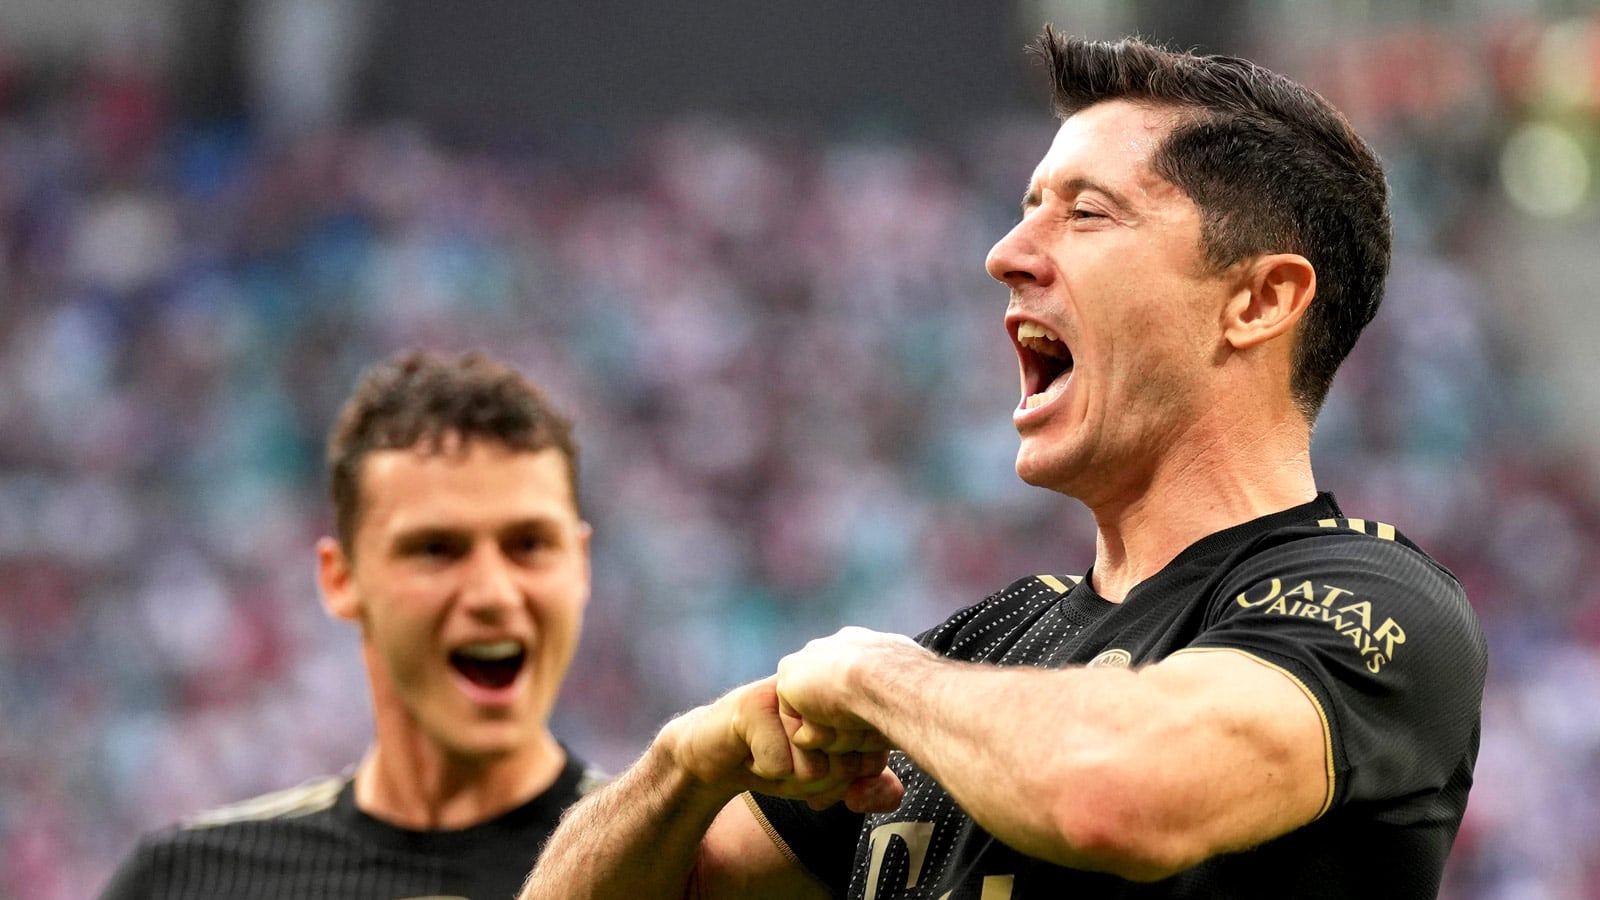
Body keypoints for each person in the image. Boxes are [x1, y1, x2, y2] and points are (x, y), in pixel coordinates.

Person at [519, 28, 1487, 900]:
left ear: (1259, 302)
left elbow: (1115, 796)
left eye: (1086, 214)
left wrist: (881, 677)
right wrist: (682, 771)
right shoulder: (995, 642)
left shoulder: (1375, 603)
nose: (1004, 254)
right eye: (1027, 210)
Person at [101, 350, 606, 899]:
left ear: (581, 565)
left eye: (529, 544)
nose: (494, 594)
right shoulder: (188, 883)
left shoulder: (666, 868)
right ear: (340, 577)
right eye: (436, 549)